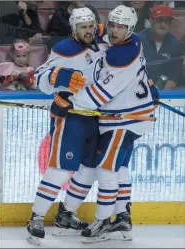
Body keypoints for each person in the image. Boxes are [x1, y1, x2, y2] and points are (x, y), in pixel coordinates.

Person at [55, 5, 158, 243]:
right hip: (129, 117)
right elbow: (99, 31)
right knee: (119, 169)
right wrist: (92, 28)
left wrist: (67, 100)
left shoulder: (120, 56)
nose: (114, 31)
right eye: (112, 25)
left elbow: (99, 96)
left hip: (125, 119)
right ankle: (122, 215)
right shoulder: (130, 41)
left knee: (105, 169)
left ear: (130, 29)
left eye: (121, 27)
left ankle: (104, 221)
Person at [26, 7, 108, 245]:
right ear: (73, 28)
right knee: (60, 169)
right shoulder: (64, 50)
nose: (88, 31)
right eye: (83, 27)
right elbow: (39, 79)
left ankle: (65, 214)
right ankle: (36, 217)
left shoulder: (102, 43)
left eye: (91, 26)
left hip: (95, 119)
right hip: (70, 118)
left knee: (90, 170)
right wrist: (56, 77)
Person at [138, 4, 184, 90]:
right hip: (139, 91)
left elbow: (173, 78)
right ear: (151, 20)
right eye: (159, 20)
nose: (163, 24)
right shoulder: (137, 42)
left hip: (164, 94)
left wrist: (160, 95)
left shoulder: (177, 45)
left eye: (167, 21)